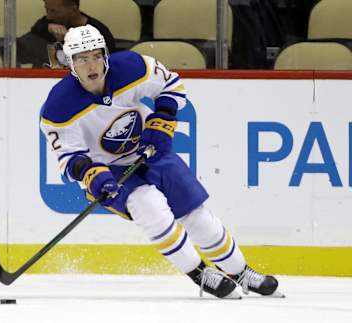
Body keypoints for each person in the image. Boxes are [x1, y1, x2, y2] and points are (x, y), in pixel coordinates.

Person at [40, 25, 282, 299]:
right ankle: (200, 274)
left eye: (96, 56)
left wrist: (162, 119)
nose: (91, 64)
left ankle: (241, 272)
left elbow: (170, 85)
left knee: (196, 215)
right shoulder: (58, 106)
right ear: (70, 63)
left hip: (150, 149)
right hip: (109, 169)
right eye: (82, 59)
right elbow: (72, 158)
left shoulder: (132, 67)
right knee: (148, 205)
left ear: (106, 55)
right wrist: (97, 178)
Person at [17, 0, 115, 68]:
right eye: (47, 10)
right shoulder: (45, 24)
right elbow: (19, 51)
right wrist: (47, 27)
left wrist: (68, 39)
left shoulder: (98, 32)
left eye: (53, 11)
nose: (48, 15)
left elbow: (106, 65)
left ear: (73, 10)